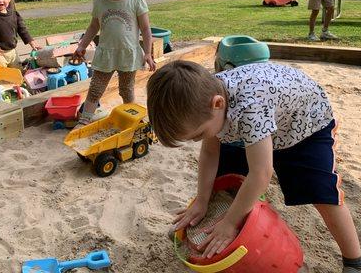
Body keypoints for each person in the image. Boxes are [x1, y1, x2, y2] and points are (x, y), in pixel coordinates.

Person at [146, 60, 361, 273]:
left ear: (218, 104)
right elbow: (210, 152)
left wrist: (230, 223)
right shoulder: (208, 101)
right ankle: (210, 225)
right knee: (226, 179)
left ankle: (353, 260)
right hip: (254, 125)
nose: (197, 141)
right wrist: (202, 200)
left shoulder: (250, 109)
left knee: (321, 191)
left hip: (304, 126)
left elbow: (261, 173)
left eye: (199, 135)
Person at [74, 0, 156, 126]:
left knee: (126, 90)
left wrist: (148, 53)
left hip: (128, 54)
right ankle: (84, 120)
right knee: (95, 89)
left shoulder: (136, 2)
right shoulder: (99, 2)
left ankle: (133, 119)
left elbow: (146, 30)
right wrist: (82, 45)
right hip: (106, 54)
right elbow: (93, 26)